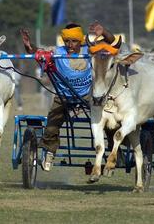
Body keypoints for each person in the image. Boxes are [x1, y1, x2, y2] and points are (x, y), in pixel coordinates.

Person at [20, 21, 115, 171]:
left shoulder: (90, 50)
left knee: (109, 119)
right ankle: (50, 152)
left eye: (74, 41)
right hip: (64, 96)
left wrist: (103, 31)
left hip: (88, 95)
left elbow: (110, 42)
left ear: (81, 40)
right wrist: (28, 45)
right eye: (67, 41)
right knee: (52, 121)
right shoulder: (57, 52)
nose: (70, 45)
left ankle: (115, 149)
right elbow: (35, 51)